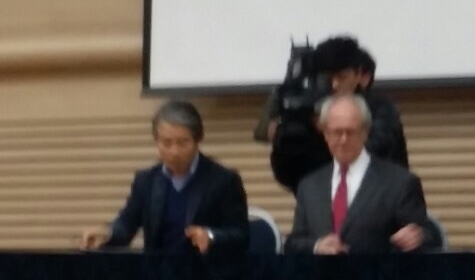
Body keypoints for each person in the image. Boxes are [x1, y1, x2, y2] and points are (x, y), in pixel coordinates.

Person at [80, 101, 249, 255]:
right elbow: (126, 224)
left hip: (205, 272)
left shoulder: (224, 180)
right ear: (157, 142)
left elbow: (240, 235)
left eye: (183, 143)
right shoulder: (146, 181)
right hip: (157, 272)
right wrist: (107, 233)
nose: (174, 151)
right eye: (166, 143)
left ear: (197, 140)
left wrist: (210, 236)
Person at [284, 94, 429, 254]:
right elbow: (294, 243)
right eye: (337, 132)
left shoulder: (400, 183)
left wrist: (417, 237)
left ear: (365, 132)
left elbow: (428, 238)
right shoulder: (309, 186)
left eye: (350, 132)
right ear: (325, 134)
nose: (344, 140)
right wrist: (317, 246)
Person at [260, 36, 409, 192]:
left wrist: (329, 130)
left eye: (342, 77)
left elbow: (372, 154)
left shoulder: (379, 109)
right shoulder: (310, 109)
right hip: (323, 199)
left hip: (379, 196)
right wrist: (283, 141)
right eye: (328, 79)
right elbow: (290, 176)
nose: (335, 85)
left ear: (359, 75)